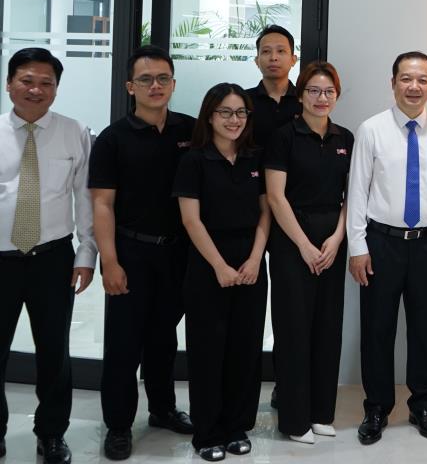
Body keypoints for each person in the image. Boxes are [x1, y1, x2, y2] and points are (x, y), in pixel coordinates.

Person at [90, 45, 195, 460]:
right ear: (130, 86)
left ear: (173, 83)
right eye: (146, 79)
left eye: (163, 78)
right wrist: (109, 262)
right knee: (124, 343)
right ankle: (118, 425)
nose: (156, 86)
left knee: (163, 337)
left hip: (177, 254)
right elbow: (102, 204)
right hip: (130, 252)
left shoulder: (190, 131)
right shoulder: (113, 138)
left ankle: (162, 409)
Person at [347, 52, 427, 444]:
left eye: (422, 79)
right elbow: (357, 191)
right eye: (406, 79)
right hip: (381, 243)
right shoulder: (371, 129)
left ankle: (422, 405)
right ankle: (377, 408)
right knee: (377, 329)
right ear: (393, 83)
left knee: (425, 330)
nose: (414, 86)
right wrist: (357, 247)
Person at [0, 47, 95, 464]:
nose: (36, 90)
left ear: (56, 88)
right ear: (9, 84)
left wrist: (86, 253)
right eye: (27, 80)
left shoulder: (74, 131)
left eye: (46, 83)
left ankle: (52, 434)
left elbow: (85, 197)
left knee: (54, 352)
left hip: (52, 258)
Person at [174, 83, 270, 461]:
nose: (234, 120)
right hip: (207, 263)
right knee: (208, 350)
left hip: (251, 261)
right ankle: (207, 432)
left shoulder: (254, 157)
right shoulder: (194, 160)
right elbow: (190, 220)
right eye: (226, 112)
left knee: (245, 348)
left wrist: (255, 259)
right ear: (210, 116)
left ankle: (236, 426)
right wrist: (219, 266)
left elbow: (265, 213)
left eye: (241, 112)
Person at [264, 61, 352, 444]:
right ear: (301, 95)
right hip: (291, 240)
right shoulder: (283, 136)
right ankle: (295, 419)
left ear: (337, 95)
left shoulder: (344, 138)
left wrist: (336, 238)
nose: (321, 98)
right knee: (294, 328)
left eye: (328, 91)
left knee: (328, 327)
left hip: (332, 240)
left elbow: (352, 195)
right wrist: (303, 244)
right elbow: (275, 197)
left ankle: (321, 413)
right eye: (314, 90)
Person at [246, 25, 302, 150]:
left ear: (293, 60)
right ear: (257, 61)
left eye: (281, 51)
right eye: (266, 51)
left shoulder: (306, 100)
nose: (273, 58)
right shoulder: (243, 100)